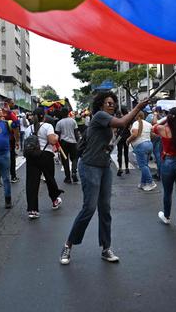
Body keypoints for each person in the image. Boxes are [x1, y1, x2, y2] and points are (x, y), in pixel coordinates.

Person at [60, 93, 148, 265]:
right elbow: (122, 122)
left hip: (105, 167)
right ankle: (68, 245)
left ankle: (106, 248)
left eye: (114, 103)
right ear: (100, 105)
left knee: (105, 208)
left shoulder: (108, 119)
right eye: (108, 103)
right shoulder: (100, 116)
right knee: (89, 208)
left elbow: (122, 126)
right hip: (89, 166)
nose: (112, 105)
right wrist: (137, 107)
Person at [153, 107, 176, 232]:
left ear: (169, 117)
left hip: (167, 162)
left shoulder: (163, 129)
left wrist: (164, 118)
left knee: (167, 192)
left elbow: (154, 127)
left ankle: (167, 217)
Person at [25, 108, 63, 220]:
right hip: (46, 155)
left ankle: (33, 210)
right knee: (50, 179)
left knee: (32, 183)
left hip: (32, 156)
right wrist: (56, 136)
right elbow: (52, 141)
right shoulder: (48, 126)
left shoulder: (29, 129)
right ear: (44, 116)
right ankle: (55, 200)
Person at [128, 111, 156, 191]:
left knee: (143, 166)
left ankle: (151, 183)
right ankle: (143, 183)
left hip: (141, 145)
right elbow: (152, 135)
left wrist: (128, 140)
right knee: (145, 165)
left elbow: (134, 134)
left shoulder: (136, 123)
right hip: (149, 144)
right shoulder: (148, 124)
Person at [55, 108, 80, 184]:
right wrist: (77, 142)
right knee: (75, 158)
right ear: (68, 113)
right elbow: (76, 133)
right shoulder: (73, 121)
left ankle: (68, 178)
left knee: (65, 160)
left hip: (63, 143)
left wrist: (58, 146)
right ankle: (74, 172)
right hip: (73, 142)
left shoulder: (59, 123)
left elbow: (57, 135)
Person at [115, 108, 131, 176]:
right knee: (126, 152)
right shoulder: (128, 119)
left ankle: (120, 168)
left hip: (119, 136)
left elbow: (115, 129)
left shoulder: (117, 119)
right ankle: (127, 168)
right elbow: (130, 128)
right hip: (127, 136)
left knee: (119, 153)